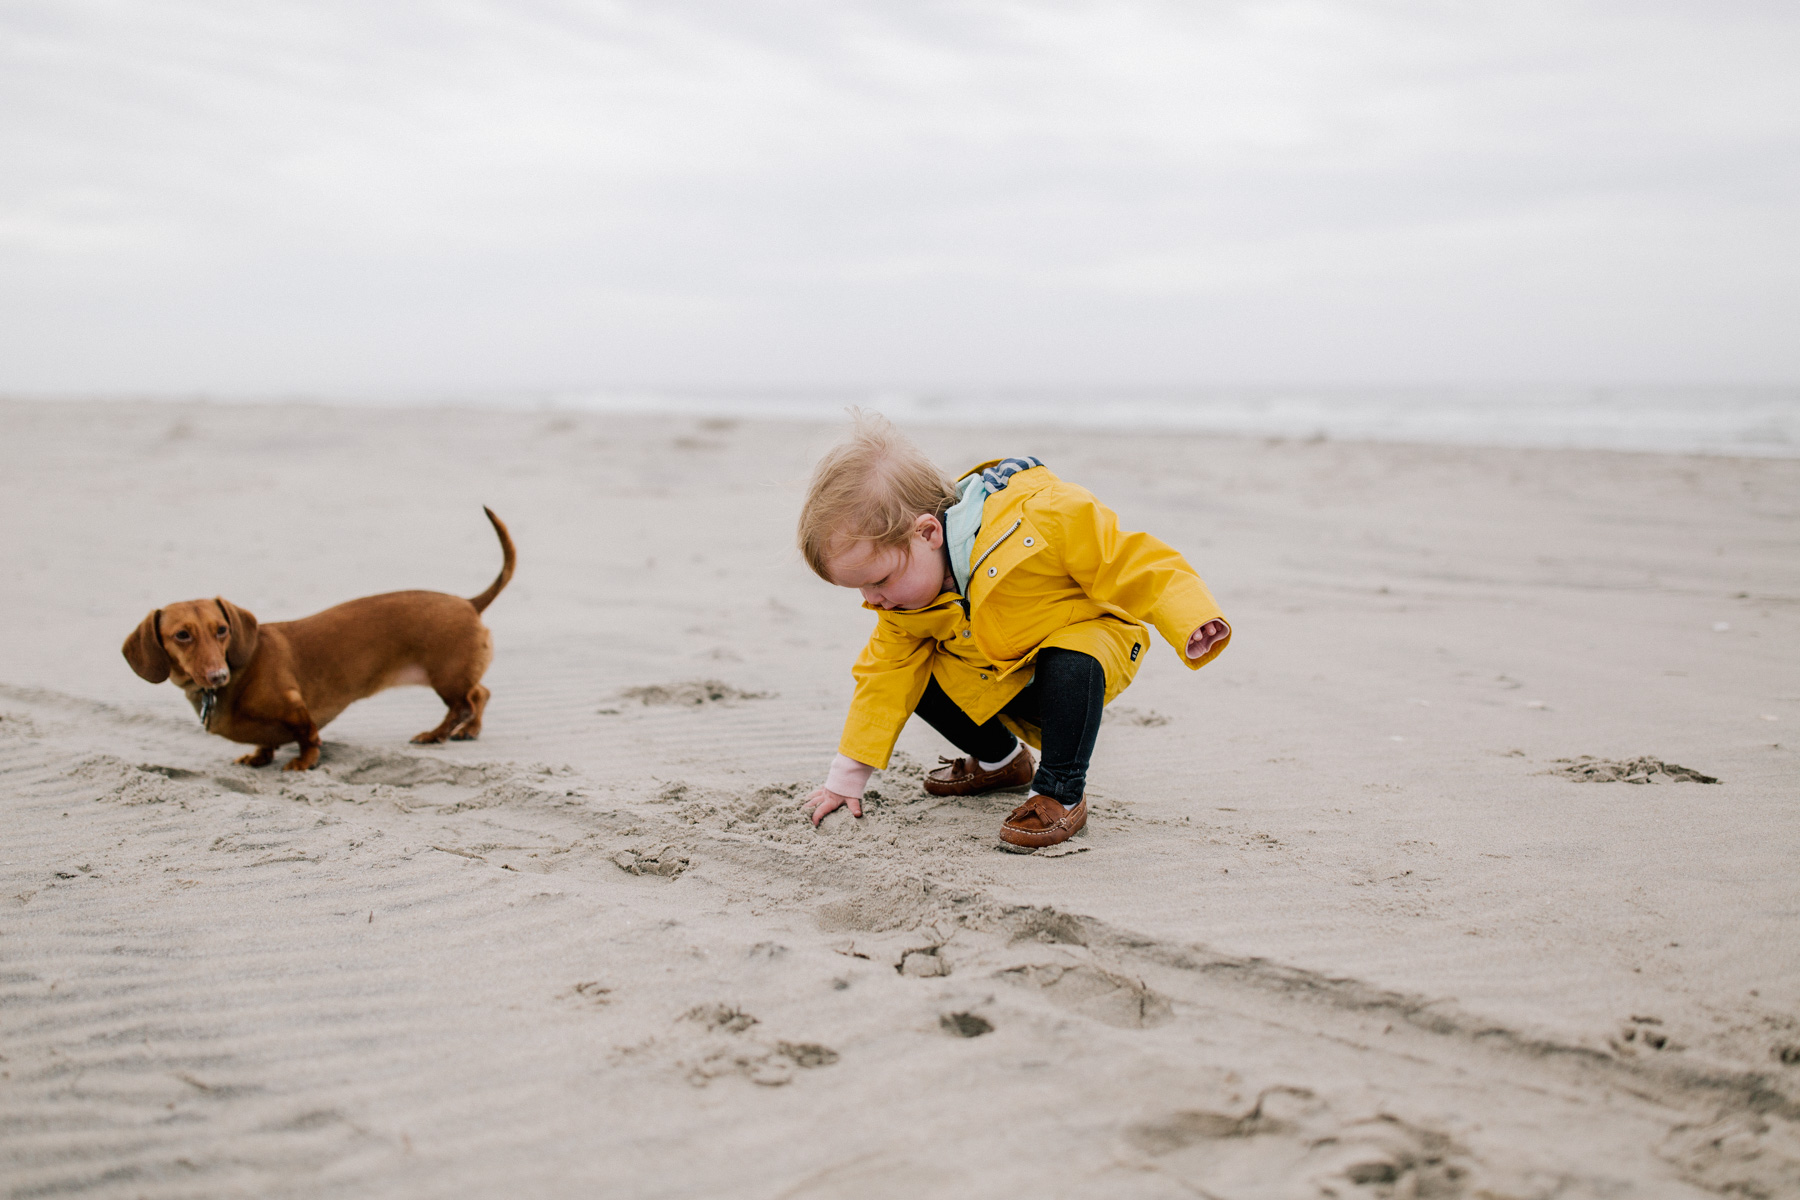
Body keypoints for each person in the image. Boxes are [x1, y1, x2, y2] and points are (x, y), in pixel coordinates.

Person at [796, 413, 1230, 849]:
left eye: (880, 580)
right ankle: (1000, 761)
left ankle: (1058, 792)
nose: (871, 600)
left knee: (1072, 656)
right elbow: (881, 680)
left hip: (1080, 653)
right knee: (911, 672)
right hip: (1001, 674)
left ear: (927, 533)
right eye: (862, 588)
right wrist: (846, 779)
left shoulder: (1040, 515)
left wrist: (1188, 614)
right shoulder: (904, 606)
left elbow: (1129, 559)